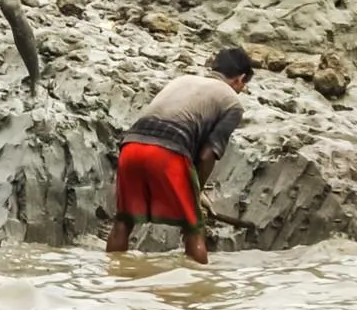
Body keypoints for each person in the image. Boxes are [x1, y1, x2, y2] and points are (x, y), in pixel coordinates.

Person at [107, 48, 255, 265]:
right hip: (167, 153)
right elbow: (207, 155)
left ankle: (110, 280)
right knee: (194, 229)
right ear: (240, 79)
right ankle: (195, 288)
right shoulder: (232, 102)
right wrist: (197, 191)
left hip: (131, 147)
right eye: (244, 85)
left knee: (123, 223)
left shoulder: (183, 80)